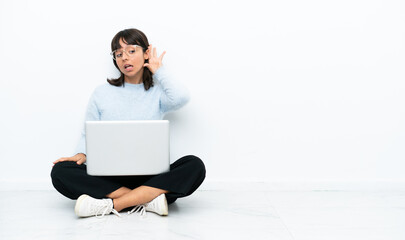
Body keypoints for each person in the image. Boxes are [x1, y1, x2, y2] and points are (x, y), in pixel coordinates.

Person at [51, 28, 206, 218]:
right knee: (60, 171)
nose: (124, 58)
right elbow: (88, 132)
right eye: (118, 53)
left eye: (131, 51)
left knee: (194, 166)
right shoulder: (102, 93)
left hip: (150, 176)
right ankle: (148, 199)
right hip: (110, 177)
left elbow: (181, 97)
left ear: (146, 53)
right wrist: (81, 153)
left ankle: (112, 204)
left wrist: (159, 71)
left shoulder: (157, 94)